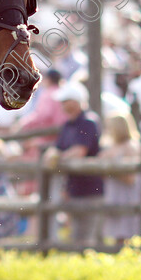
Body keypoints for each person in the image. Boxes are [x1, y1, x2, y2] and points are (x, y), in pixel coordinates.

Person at [43, 80, 103, 246]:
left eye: (65, 101)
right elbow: (56, 148)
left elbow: (79, 151)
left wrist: (57, 158)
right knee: (77, 234)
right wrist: (53, 154)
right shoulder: (68, 125)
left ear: (76, 101)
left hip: (90, 189)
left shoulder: (88, 122)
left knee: (86, 236)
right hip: (74, 188)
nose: (62, 105)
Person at [99, 113, 141, 246]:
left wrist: (111, 171)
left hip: (126, 194)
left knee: (126, 229)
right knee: (116, 232)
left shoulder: (131, 146)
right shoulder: (111, 147)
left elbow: (131, 178)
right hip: (114, 193)